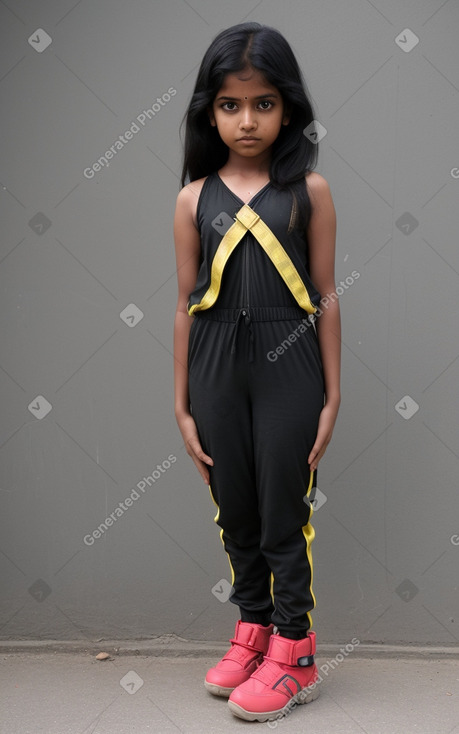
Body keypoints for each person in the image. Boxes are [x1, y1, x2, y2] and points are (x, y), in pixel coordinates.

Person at [173, 21, 340, 724]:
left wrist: (333, 394)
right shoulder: (191, 200)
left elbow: (325, 293)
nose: (247, 120)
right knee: (233, 506)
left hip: (288, 362)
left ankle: (295, 649)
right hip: (213, 364)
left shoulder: (309, 191)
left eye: (263, 103)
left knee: (282, 509)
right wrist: (180, 402)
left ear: (288, 108)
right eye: (231, 104)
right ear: (209, 111)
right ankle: (252, 629)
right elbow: (186, 301)